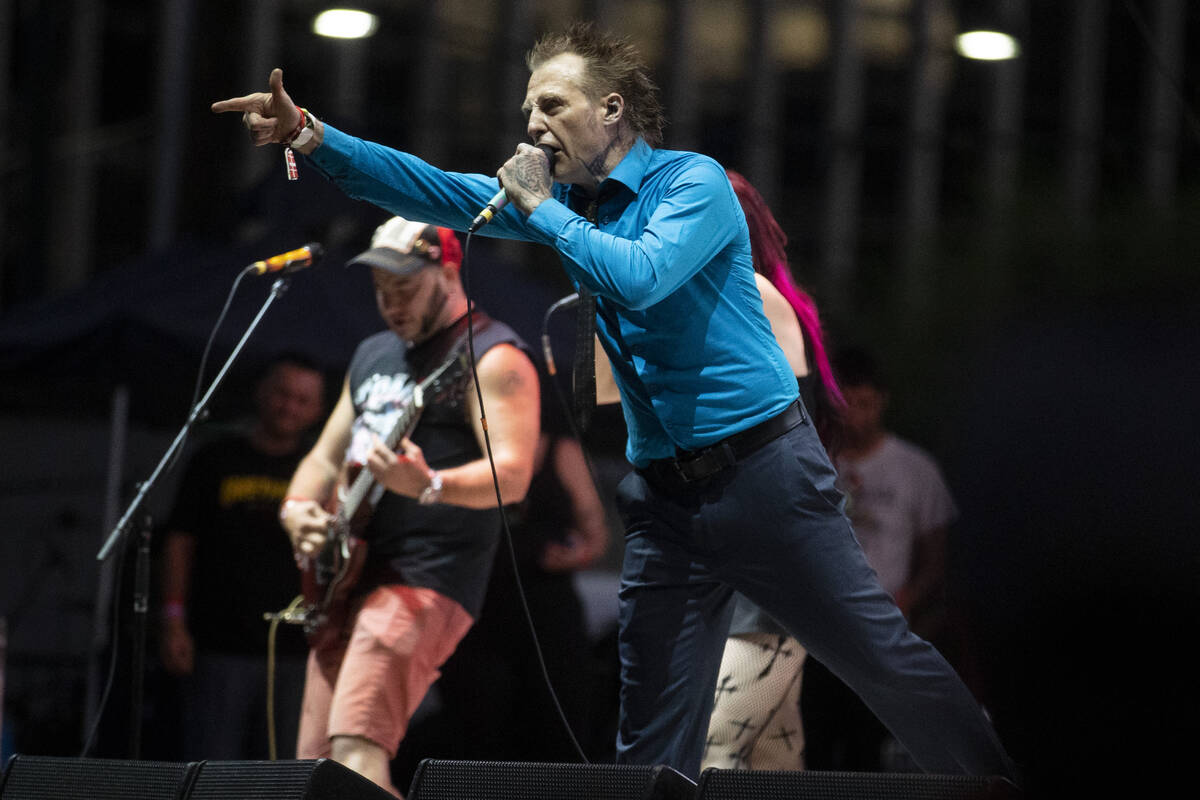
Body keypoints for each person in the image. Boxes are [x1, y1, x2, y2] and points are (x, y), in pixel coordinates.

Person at [212, 23, 1015, 782]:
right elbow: (431, 189)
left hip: (764, 477)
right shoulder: (576, 210)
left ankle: (999, 781)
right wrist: (312, 137)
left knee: (882, 662)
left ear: (612, 110)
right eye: (527, 106)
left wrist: (539, 209)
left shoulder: (690, 182)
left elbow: (639, 275)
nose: (531, 122)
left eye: (551, 104)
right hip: (666, 500)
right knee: (652, 722)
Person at [274, 216, 540, 795]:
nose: (390, 305)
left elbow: (514, 474)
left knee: (355, 751)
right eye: (380, 292)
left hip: (427, 576)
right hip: (350, 576)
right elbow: (323, 457)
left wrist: (428, 485)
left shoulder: (494, 356)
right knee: (317, 772)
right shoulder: (374, 354)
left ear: (447, 275)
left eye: (405, 289)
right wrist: (297, 507)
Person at [700, 170, 844, 771]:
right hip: (751, 556)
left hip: (769, 563)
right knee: (772, 757)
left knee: (716, 755)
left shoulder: (753, 301)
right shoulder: (749, 302)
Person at [394, 416, 610, 782]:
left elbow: (595, 535)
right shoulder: (460, 445)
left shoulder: (560, 449)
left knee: (558, 725)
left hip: (546, 610)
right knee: (477, 731)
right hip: (475, 608)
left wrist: (575, 555)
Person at [159, 354, 326, 760]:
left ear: (319, 411)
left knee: (285, 770)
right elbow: (179, 542)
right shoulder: (214, 459)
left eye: (303, 400)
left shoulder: (321, 470)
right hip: (219, 643)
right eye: (282, 394)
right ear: (262, 393)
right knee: (210, 766)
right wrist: (172, 620)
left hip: (296, 649)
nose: (290, 407)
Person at [801, 346, 959, 772]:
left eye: (865, 403)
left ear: (882, 401)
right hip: (820, 633)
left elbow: (937, 560)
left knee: (865, 750)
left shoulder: (915, 469)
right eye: (846, 402)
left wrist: (909, 601)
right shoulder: (813, 461)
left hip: (884, 632)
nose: (855, 414)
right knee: (815, 747)